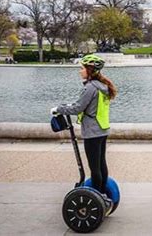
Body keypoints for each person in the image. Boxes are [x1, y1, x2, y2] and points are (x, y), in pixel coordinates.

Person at [51, 54, 117, 197]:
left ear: (90, 70)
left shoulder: (90, 88)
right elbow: (87, 106)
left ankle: (97, 196)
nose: (80, 71)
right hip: (102, 129)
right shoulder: (102, 86)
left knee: (94, 168)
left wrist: (58, 108)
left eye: (82, 68)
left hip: (92, 131)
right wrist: (69, 106)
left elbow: (78, 108)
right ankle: (102, 194)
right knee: (101, 164)